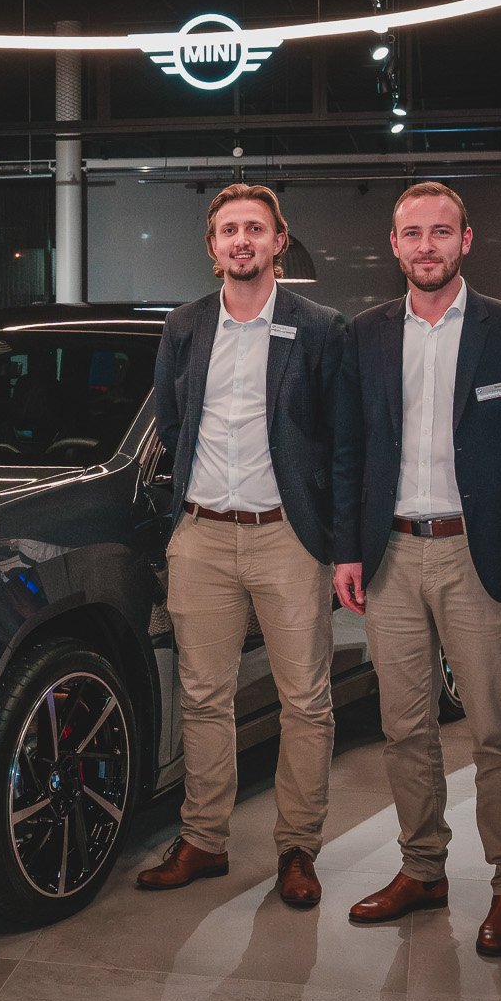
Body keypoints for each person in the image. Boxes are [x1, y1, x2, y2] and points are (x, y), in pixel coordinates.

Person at [333, 180, 501, 956]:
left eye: (440, 231)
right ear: (394, 245)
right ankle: (422, 868)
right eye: (412, 233)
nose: (425, 245)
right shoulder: (364, 334)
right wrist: (347, 548)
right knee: (404, 729)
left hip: (478, 553)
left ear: (467, 239)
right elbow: (349, 451)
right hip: (391, 554)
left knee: (496, 728)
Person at [140, 184, 351, 908]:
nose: (241, 240)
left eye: (255, 228)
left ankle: (298, 848)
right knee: (203, 697)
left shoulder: (319, 327)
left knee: (306, 702)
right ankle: (204, 838)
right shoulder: (186, 325)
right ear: (212, 246)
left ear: (278, 241)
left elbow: (339, 438)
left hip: (287, 535)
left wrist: (334, 532)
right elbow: (173, 422)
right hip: (201, 536)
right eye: (229, 229)